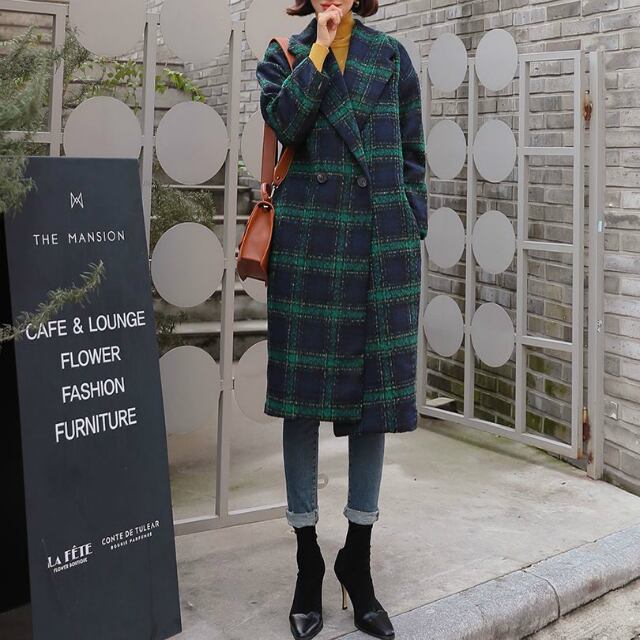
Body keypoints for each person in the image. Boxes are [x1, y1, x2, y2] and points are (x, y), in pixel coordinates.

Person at [256, 1, 428, 638]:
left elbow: (413, 153)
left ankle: (358, 555)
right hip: (310, 247)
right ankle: (308, 558)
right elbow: (286, 122)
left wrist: (410, 220)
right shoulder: (283, 54)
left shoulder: (391, 57)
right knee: (300, 406)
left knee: (373, 405)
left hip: (380, 246)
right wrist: (321, 51)